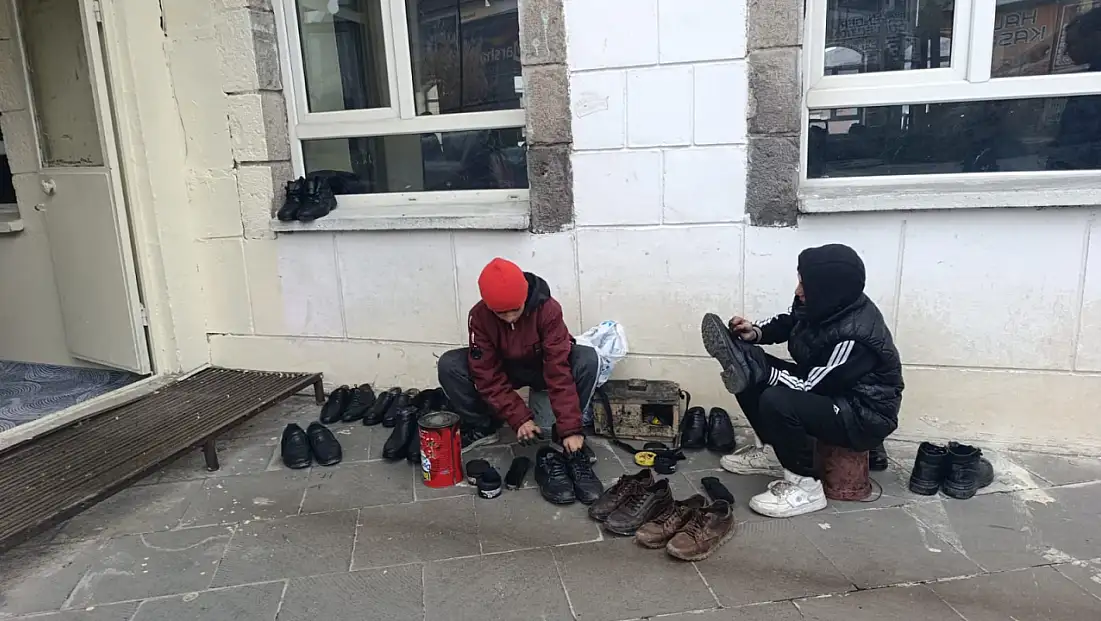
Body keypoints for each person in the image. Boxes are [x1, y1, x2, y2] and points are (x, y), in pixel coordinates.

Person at [700, 244, 903, 518]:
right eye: (800, 281)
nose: (798, 290)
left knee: (774, 395)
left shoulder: (856, 337)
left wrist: (765, 371)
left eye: (804, 284)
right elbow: (791, 321)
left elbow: (812, 385)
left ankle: (806, 488)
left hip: (861, 415)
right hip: (833, 394)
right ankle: (773, 452)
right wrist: (755, 333)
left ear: (828, 290)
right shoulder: (825, 304)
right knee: (744, 367)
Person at [438, 257, 598, 459]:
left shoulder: (548, 309)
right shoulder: (479, 317)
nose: (510, 317)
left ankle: (565, 435)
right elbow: (486, 373)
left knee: (587, 359)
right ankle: (483, 427)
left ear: (524, 299)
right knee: (450, 364)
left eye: (515, 310)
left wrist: (570, 428)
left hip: (542, 366)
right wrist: (519, 418)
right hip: (506, 368)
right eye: (501, 313)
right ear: (489, 307)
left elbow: (558, 368)